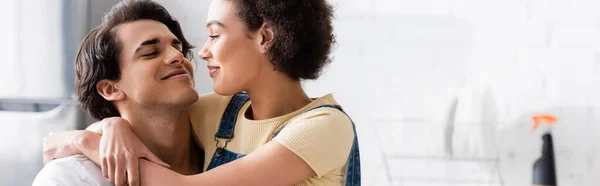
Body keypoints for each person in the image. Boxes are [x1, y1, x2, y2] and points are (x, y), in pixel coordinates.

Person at [44, 0, 361, 185]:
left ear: (264, 38)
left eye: (215, 36)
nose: (196, 54)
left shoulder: (324, 126)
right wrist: (111, 126)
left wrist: (88, 141)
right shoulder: (220, 113)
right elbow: (147, 117)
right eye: (151, 53)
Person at [33, 1, 202, 186]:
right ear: (110, 89)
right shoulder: (71, 177)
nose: (178, 56)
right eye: (151, 53)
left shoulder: (230, 145)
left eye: (178, 48)